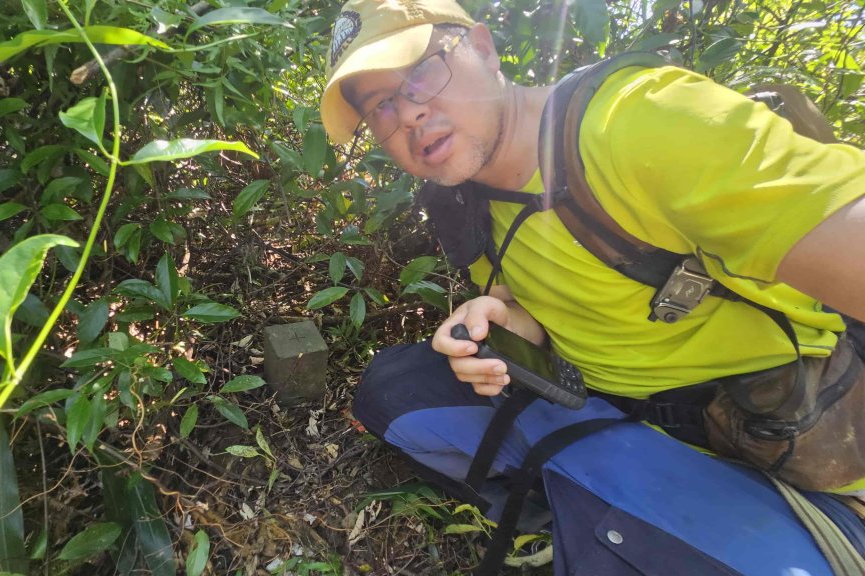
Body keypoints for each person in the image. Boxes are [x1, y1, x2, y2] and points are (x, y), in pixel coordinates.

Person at [318, 0, 865, 573]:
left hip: (768, 439)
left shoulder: (640, 121)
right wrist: (503, 317)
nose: (407, 114)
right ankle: (607, 506)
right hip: (609, 410)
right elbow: (531, 298)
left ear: (483, 47)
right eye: (380, 107)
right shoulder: (466, 194)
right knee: (394, 390)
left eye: (421, 73)